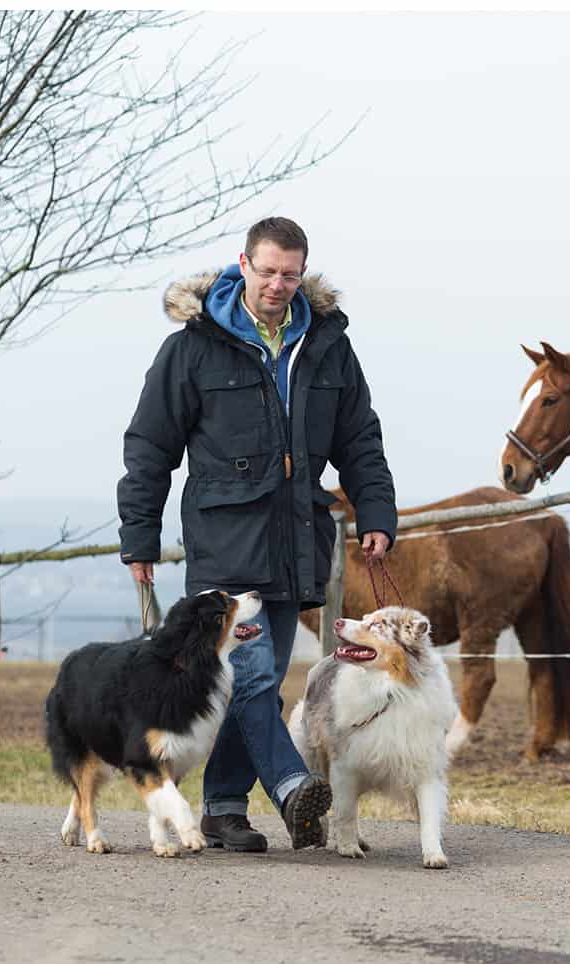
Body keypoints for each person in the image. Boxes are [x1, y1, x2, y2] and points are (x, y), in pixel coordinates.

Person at [118, 217, 396, 851]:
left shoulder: (326, 344)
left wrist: (377, 513)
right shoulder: (192, 347)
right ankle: (294, 787)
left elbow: (359, 438)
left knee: (260, 672)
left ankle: (220, 809)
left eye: (290, 274)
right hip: (223, 540)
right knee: (250, 675)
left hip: (295, 537)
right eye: (267, 271)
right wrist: (140, 534)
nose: (278, 284)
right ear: (242, 265)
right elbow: (150, 445)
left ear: (304, 272)